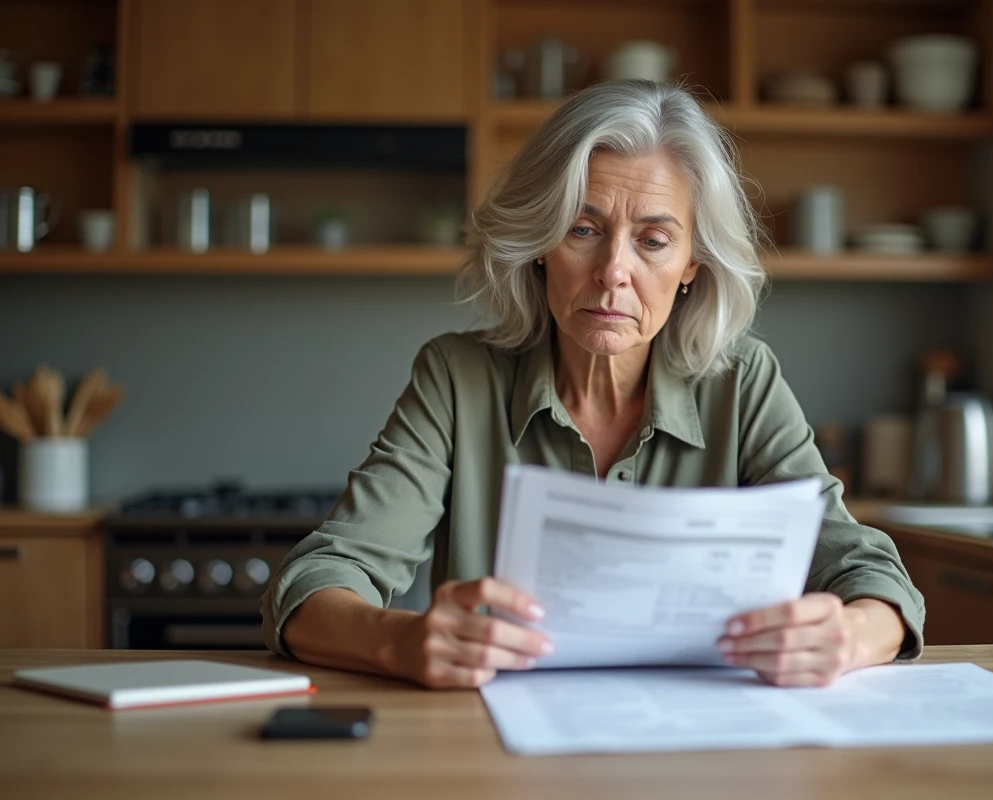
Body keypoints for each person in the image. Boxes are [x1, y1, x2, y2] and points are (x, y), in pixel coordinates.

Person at [262, 80, 924, 690]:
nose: (614, 271)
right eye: (584, 229)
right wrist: (400, 641)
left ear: (692, 264)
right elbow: (314, 583)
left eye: (653, 241)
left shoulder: (744, 382)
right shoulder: (457, 378)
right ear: (541, 242)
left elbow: (871, 577)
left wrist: (849, 635)